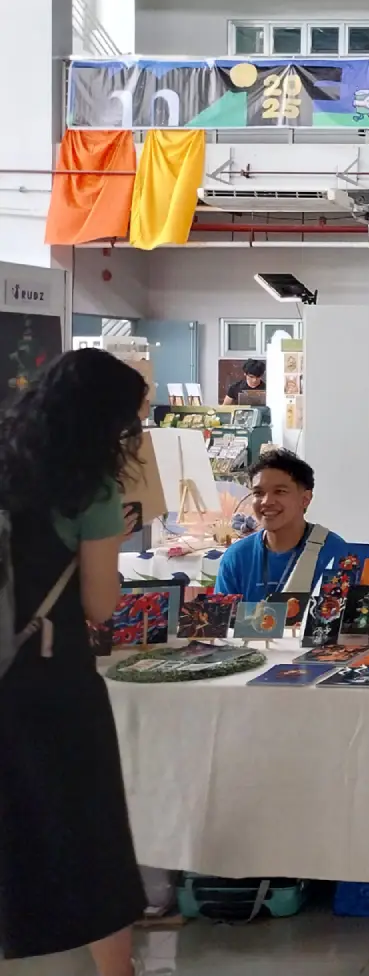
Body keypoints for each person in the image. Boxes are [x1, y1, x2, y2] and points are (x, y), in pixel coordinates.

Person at [0, 349, 149, 976]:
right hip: (49, 680)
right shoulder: (90, 486)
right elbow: (97, 602)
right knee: (88, 824)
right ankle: (116, 969)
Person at [213, 448, 352, 602]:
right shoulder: (237, 557)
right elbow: (222, 622)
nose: (266, 502)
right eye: (258, 493)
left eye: (279, 491)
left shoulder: (335, 552)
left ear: (305, 499)